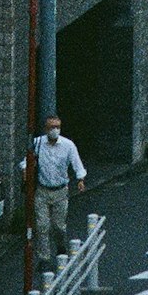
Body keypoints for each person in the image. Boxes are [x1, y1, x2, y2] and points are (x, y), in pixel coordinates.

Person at [30, 115, 86, 269]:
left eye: (57, 127)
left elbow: (76, 163)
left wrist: (80, 179)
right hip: (42, 190)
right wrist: (25, 171)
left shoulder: (68, 146)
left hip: (61, 191)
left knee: (59, 226)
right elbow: (26, 162)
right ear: (45, 129)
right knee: (42, 226)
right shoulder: (38, 143)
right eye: (51, 127)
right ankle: (44, 259)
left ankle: (61, 246)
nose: (54, 130)